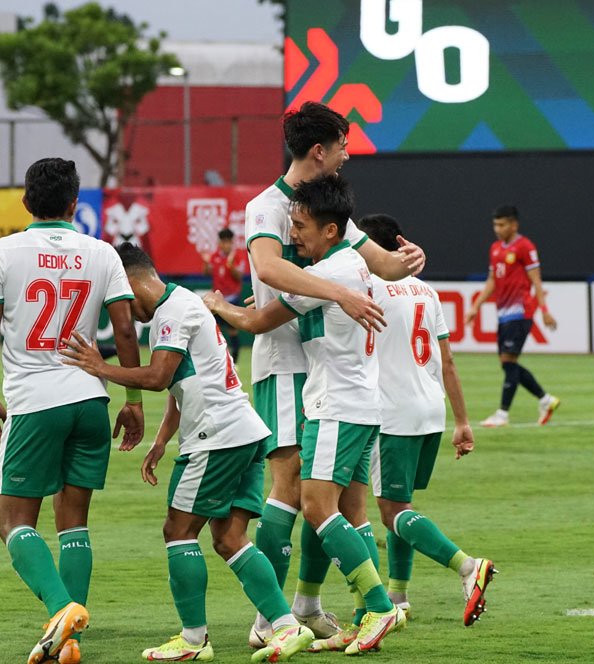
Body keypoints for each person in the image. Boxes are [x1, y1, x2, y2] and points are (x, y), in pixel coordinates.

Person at [60, 242, 315, 663]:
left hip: (216, 436)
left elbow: (160, 376)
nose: (120, 311)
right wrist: (161, 440)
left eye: (117, 299)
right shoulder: (182, 304)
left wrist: (99, 366)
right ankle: (286, 627)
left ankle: (193, 640)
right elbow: (184, 381)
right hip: (243, 430)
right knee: (230, 537)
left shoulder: (172, 312)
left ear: (128, 281)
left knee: (177, 531)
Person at [241, 100, 426, 648]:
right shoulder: (267, 206)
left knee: (337, 496)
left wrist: (409, 258)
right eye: (343, 145)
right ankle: (269, 619)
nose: (347, 155)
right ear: (319, 149)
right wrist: (340, 290)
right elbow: (270, 268)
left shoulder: (329, 212)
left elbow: (383, 263)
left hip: (327, 367)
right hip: (284, 359)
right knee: (292, 485)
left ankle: (307, 606)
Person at [207, 175, 406, 655]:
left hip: (336, 404)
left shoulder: (331, 275)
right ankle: (360, 612)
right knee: (342, 508)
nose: (293, 234)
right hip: (358, 402)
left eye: (301, 226)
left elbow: (257, 320)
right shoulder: (346, 267)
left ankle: (377, 606)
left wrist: (216, 304)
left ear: (332, 231)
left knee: (315, 505)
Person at [0, 158, 145, 664]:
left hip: (33, 400)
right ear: (76, 204)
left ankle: (62, 608)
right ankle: (68, 641)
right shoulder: (102, 253)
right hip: (91, 398)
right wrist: (133, 401)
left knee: (13, 522)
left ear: (26, 202)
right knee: (74, 523)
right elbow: (128, 331)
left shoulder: (3, 251)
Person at [357, 213, 497, 628]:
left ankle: (468, 566)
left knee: (390, 510)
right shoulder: (425, 290)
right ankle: (398, 596)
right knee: (402, 505)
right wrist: (463, 420)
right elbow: (447, 360)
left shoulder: (369, 289)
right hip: (430, 410)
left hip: (392, 412)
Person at [465, 205, 560, 428]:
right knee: (508, 364)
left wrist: (544, 310)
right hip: (503, 312)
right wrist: (475, 307)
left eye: (502, 224)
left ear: (514, 224)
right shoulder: (496, 248)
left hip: (520, 311)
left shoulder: (525, 247)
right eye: (495, 225)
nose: (498, 229)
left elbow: (536, 280)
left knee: (508, 361)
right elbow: (491, 281)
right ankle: (546, 400)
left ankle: (502, 414)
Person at [201, 227, 248, 362]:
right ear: (220, 242)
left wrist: (231, 265)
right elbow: (206, 273)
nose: (226, 245)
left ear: (232, 242)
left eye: (229, 242)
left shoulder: (237, 256)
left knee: (233, 332)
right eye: (223, 242)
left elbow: (239, 276)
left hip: (232, 299)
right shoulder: (215, 256)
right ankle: (215, 361)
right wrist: (205, 262)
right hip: (217, 299)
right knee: (213, 331)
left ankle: (235, 362)